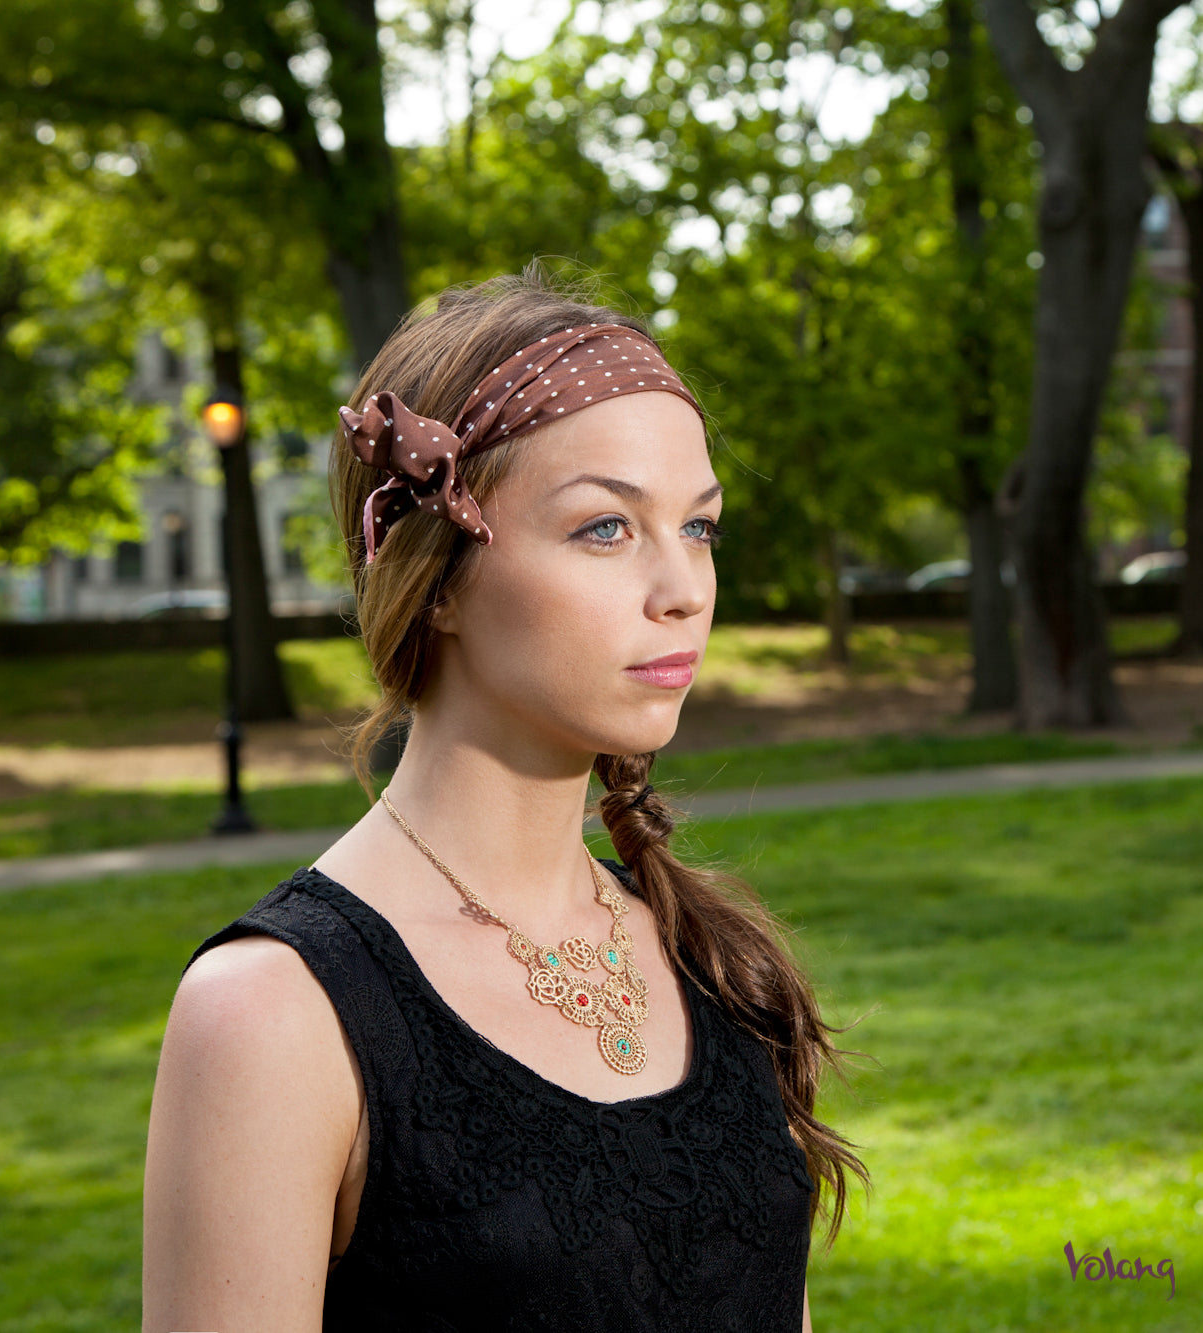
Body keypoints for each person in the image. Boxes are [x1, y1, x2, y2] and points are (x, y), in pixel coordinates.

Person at [142, 267, 864, 1332]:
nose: (685, 588)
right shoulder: (272, 1015)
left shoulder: (709, 959)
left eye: (699, 527)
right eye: (605, 529)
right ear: (435, 577)